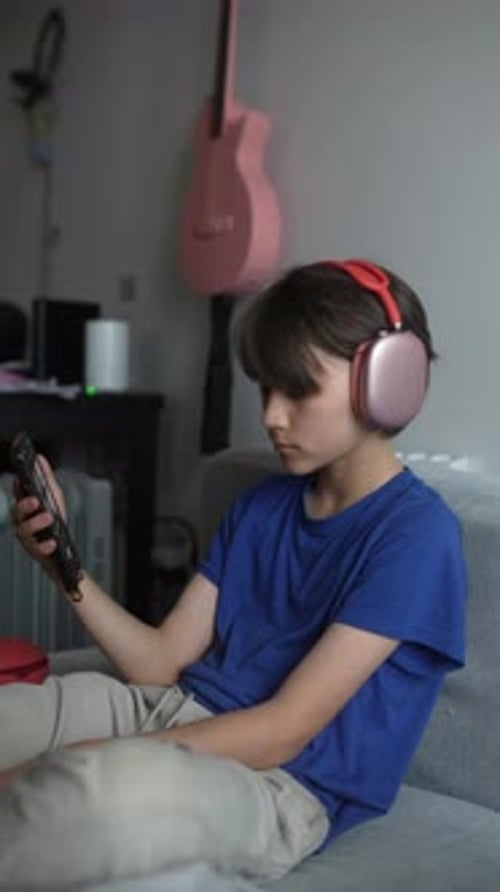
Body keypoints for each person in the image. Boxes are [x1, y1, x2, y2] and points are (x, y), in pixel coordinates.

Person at [0, 259, 466, 890]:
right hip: (164, 710)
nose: (272, 417)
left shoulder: (417, 535)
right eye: (266, 389)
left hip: (272, 782)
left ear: (387, 384)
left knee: (102, 799)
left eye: (297, 391)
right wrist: (65, 570)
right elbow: (160, 663)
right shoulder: (259, 506)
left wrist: (68, 764)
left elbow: (283, 731)